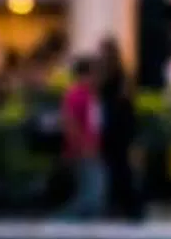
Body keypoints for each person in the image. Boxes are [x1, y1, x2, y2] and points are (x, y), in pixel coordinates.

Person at [96, 39, 142, 221]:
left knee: (119, 167)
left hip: (116, 128)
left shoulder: (116, 76)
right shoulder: (120, 75)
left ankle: (125, 206)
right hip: (118, 127)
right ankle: (125, 206)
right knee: (119, 167)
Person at [61, 52, 105, 216]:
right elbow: (70, 122)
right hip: (83, 151)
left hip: (91, 150)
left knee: (91, 195)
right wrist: (82, 146)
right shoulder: (76, 95)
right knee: (91, 196)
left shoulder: (90, 95)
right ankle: (59, 223)